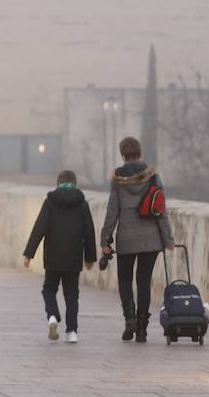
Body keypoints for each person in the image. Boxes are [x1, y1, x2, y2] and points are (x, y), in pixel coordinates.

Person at [99, 136, 174, 343]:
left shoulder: (118, 180)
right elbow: (161, 209)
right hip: (151, 239)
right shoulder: (152, 176)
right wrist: (168, 238)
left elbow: (112, 211)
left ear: (123, 155)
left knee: (125, 279)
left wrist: (105, 239)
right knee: (143, 281)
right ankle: (142, 329)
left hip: (127, 239)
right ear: (139, 153)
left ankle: (129, 321)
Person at [23, 169, 97, 344]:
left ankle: (53, 316)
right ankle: (71, 332)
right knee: (71, 295)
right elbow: (89, 232)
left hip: (53, 256)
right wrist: (90, 258)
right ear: (75, 183)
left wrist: (29, 254)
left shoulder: (50, 202)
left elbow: (39, 228)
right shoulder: (82, 204)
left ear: (58, 183)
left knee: (49, 289)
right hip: (74, 256)